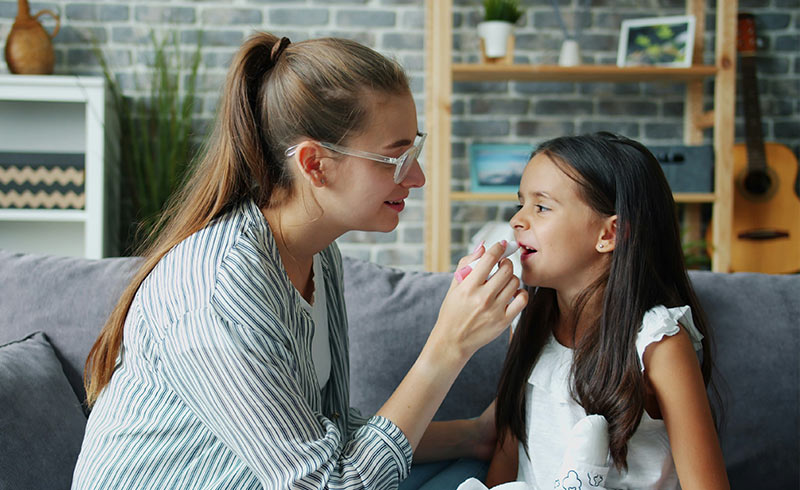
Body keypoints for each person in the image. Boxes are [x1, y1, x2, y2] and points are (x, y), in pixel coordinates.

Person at [72, 33, 527, 489]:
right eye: (396, 157)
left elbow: (329, 437)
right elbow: (328, 483)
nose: (418, 177)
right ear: (314, 164)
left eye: (416, 151)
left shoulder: (318, 255)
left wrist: (473, 436)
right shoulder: (221, 294)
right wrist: (448, 346)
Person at [479, 133, 729, 489]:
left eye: (541, 207)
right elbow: (508, 455)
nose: (517, 220)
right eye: (520, 204)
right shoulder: (525, 321)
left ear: (610, 234)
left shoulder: (658, 343)